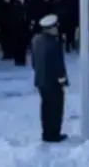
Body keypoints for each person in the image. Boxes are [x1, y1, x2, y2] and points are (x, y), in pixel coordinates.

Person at [31, 13, 68, 143]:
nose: (57, 29)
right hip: (53, 82)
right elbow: (58, 64)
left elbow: (34, 62)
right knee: (56, 108)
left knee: (45, 108)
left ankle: (46, 133)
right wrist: (63, 79)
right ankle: (54, 134)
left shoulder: (36, 40)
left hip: (41, 80)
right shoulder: (54, 43)